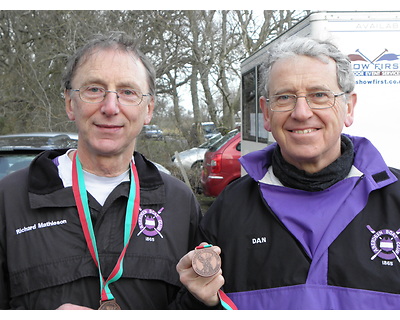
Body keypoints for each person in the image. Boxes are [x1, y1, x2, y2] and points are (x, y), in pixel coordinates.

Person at [177, 36, 400, 309]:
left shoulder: (394, 200)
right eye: (285, 97)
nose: (302, 112)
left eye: (319, 95)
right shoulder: (230, 208)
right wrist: (200, 301)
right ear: (266, 114)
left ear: (349, 108)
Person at [0, 31, 215, 310]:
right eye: (94, 89)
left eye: (127, 92)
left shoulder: (179, 201)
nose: (110, 107)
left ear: (148, 109)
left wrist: (204, 300)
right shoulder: (10, 199)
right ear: (69, 103)